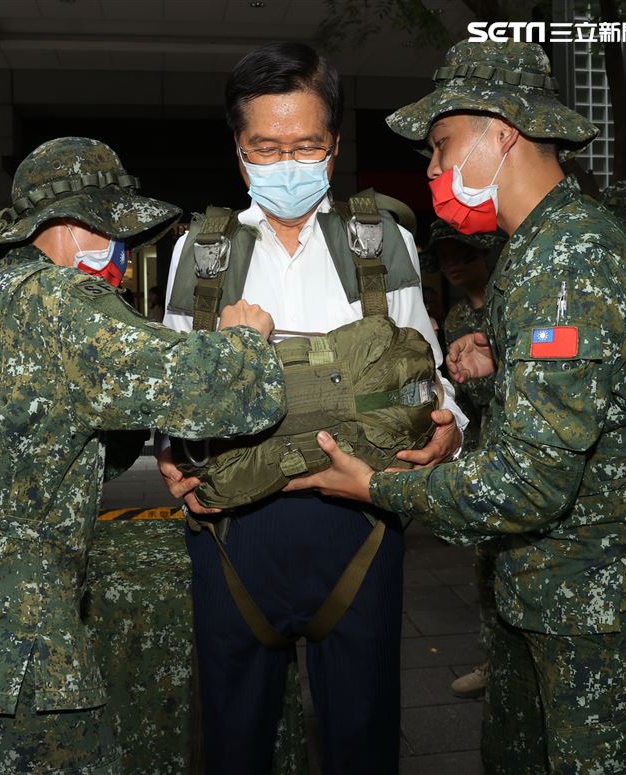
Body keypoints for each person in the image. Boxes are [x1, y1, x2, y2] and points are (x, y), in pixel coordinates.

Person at [285, 40, 626, 773]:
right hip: (545, 593)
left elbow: (528, 484)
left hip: (600, 610)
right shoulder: (535, 250)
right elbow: (575, 397)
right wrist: (489, 377)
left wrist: (377, 486)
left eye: (443, 146)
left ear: (501, 132)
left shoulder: (566, 263)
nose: (433, 170)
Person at [0, 136, 286, 775]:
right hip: (16, 655)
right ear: (75, 226)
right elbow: (214, 392)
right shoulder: (57, 300)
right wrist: (245, 338)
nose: (125, 256)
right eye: (116, 232)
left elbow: (56, 438)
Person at [159, 42, 466, 775]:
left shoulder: (378, 240)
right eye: (266, 146)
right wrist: (169, 445)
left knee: (362, 737)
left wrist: (449, 424)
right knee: (233, 739)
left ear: (333, 149)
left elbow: (420, 363)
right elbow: (173, 380)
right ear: (239, 149)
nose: (286, 163)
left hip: (356, 526)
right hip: (233, 531)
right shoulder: (200, 252)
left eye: (305, 145)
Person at [427, 219, 503, 699]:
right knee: (486, 565)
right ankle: (493, 658)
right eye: (445, 259)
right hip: (483, 452)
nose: (453, 265)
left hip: (520, 452)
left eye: (464, 255)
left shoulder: (509, 306)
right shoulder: (456, 319)